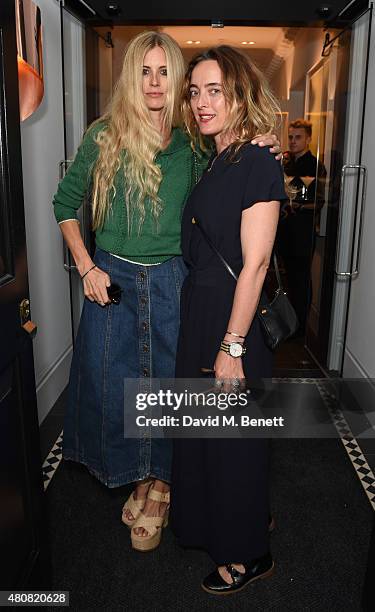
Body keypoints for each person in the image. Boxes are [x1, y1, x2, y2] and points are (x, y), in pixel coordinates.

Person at [52, 31, 280, 553]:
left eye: (164, 72)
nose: (155, 83)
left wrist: (259, 146)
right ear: (132, 77)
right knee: (119, 388)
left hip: (174, 278)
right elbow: (65, 204)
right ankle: (142, 479)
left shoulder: (192, 142)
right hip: (114, 280)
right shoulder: (104, 136)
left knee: (169, 389)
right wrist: (86, 265)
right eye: (145, 72)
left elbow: (229, 174)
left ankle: (162, 487)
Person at [170, 46, 286, 594]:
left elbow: (256, 263)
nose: (201, 102)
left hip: (230, 319)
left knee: (234, 438)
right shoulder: (221, 157)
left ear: (239, 93)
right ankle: (235, 519)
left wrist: (232, 344)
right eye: (194, 91)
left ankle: (249, 555)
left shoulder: (258, 163)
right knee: (211, 435)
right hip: (204, 311)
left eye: (214, 90)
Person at [278, 119, 326, 333]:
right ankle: (289, 325)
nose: (293, 141)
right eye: (290, 137)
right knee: (287, 282)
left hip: (303, 235)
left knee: (301, 282)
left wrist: (297, 205)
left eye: (298, 137)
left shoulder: (316, 166)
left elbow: (321, 202)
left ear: (308, 139)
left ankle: (300, 331)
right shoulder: (285, 164)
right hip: (284, 234)